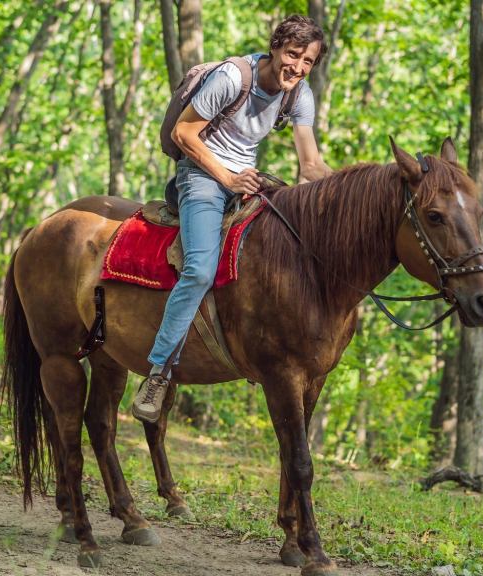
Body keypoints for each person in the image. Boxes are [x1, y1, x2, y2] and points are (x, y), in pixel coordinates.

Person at [131, 15, 334, 423]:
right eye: (293, 55)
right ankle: (159, 371)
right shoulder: (232, 77)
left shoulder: (300, 95)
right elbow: (184, 134)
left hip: (246, 182)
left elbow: (310, 164)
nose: (297, 66)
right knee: (201, 270)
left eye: (308, 61)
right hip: (202, 177)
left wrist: (358, 188)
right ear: (276, 47)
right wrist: (226, 176)